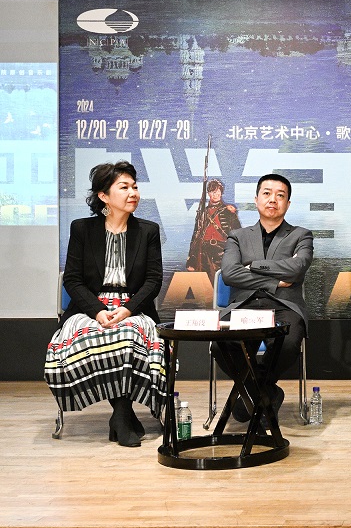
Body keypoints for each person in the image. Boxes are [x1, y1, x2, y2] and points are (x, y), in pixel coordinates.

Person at [44, 161, 165, 447]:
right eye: (124, 187)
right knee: (93, 336)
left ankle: (121, 416)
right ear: (103, 196)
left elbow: (153, 281)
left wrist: (127, 309)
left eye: (134, 187)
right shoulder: (82, 229)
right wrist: (98, 311)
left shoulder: (147, 231)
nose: (133, 193)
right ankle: (123, 414)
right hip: (90, 308)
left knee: (129, 335)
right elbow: (72, 280)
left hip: (132, 307)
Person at [213, 173, 313, 422]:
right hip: (244, 305)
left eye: (280, 195)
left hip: (284, 305)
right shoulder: (237, 236)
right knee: (220, 345)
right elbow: (230, 273)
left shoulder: (301, 235)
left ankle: (250, 393)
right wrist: (273, 280)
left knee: (288, 343)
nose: (273, 200)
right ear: (256, 199)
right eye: (267, 194)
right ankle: (265, 393)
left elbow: (297, 269)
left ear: (288, 203)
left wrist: (254, 266)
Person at [186, 178, 241, 280]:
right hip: (204, 251)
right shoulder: (202, 212)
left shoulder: (228, 211)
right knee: (205, 282)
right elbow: (196, 235)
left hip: (222, 250)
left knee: (222, 279)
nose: (215, 194)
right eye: (212, 192)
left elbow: (238, 234)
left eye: (217, 191)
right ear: (208, 194)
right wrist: (191, 258)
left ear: (221, 193)